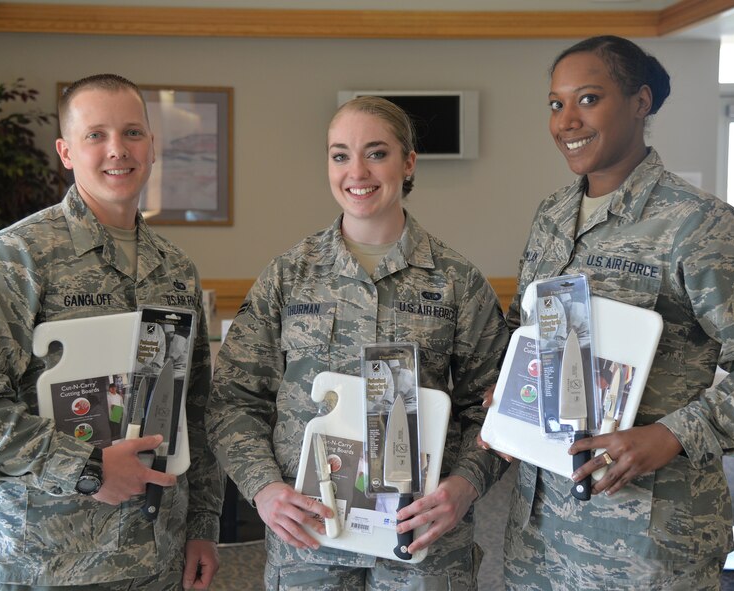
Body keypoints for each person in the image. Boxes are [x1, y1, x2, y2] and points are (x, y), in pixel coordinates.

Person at [488, 36, 734, 590]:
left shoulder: (699, 225)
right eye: (555, 103)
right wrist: (510, 389)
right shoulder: (551, 217)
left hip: (648, 545)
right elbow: (536, 339)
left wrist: (672, 433)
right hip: (540, 533)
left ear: (640, 102)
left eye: (588, 99)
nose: (567, 120)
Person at [0, 74, 223, 590]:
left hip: (157, 558)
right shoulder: (17, 256)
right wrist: (87, 467)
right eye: (96, 135)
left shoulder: (176, 269)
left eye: (133, 133)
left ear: (152, 147)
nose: (118, 150)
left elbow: (195, 410)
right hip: (48, 565)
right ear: (66, 152)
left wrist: (202, 526)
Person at [207, 96, 509, 589]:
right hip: (310, 534)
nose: (357, 171)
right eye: (340, 154)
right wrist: (262, 489)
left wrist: (466, 485)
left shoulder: (457, 282)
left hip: (421, 536)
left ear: (408, 162)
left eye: (377, 152)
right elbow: (233, 401)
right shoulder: (288, 276)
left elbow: (497, 407)